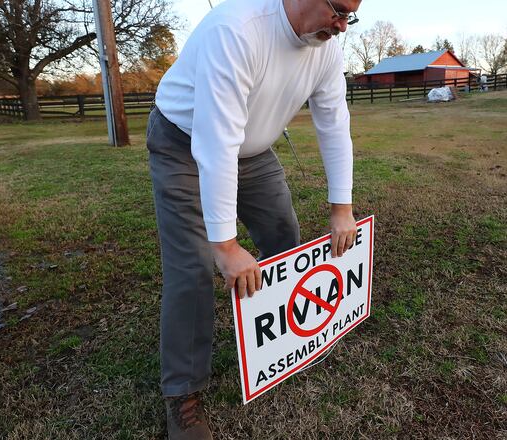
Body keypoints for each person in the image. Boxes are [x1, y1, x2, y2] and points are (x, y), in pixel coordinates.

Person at [145, 0, 362, 438]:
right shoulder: (238, 30)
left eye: (350, 16)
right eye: (338, 10)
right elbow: (215, 142)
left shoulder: (328, 48)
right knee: (192, 266)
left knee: (285, 236)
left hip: (253, 150)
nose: (341, 25)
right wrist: (224, 245)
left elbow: (334, 122)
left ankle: (282, 343)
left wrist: (342, 208)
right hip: (183, 142)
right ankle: (183, 395)